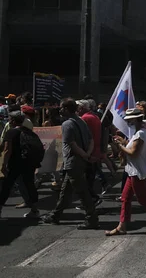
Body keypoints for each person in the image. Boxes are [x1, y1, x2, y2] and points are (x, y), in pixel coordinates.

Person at [105, 109, 146, 236]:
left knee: (144, 200)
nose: (128, 121)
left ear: (136, 119)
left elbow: (133, 153)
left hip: (137, 171)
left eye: (130, 119)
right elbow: (133, 148)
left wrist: (120, 146)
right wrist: (123, 143)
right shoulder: (141, 131)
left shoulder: (140, 133)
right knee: (125, 198)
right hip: (133, 171)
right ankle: (122, 226)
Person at [41, 98, 98, 229]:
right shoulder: (81, 121)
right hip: (79, 161)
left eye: (61, 107)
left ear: (66, 109)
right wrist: (87, 154)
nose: (60, 110)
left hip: (73, 162)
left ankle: (92, 218)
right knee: (65, 191)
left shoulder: (67, 124)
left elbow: (71, 144)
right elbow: (91, 140)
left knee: (82, 192)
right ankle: (55, 215)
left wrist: (84, 155)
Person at [0, 111, 40, 219]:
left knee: (6, 186)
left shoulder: (11, 132)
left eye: (9, 119)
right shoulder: (29, 132)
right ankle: (35, 210)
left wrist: (3, 165)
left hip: (15, 163)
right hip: (29, 163)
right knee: (29, 185)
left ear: (13, 121)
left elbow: (7, 150)